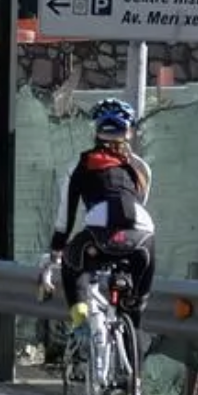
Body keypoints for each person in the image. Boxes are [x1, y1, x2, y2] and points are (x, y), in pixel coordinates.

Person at [39, 98, 157, 331]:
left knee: (73, 263)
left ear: (97, 130)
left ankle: (80, 315)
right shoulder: (141, 167)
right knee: (134, 308)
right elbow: (140, 203)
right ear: (129, 133)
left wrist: (57, 248)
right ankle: (133, 351)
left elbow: (66, 215)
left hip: (99, 232)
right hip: (142, 236)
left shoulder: (80, 164)